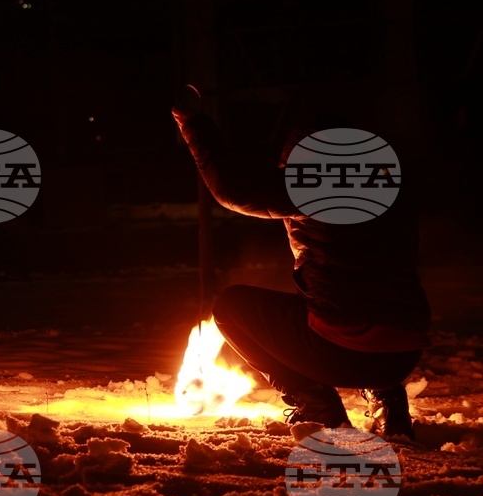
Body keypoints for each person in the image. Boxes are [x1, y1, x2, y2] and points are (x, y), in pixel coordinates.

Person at [171, 88, 430, 438]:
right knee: (350, 308)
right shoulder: (389, 188)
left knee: (231, 307)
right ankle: (389, 403)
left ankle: (316, 405)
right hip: (404, 350)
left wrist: (194, 125)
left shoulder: (322, 183)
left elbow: (234, 191)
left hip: (343, 349)